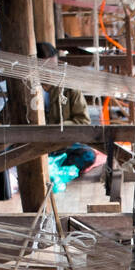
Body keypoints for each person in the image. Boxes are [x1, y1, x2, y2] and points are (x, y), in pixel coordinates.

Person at [36, 41, 101, 175]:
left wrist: (56, 128)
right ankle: (50, 167)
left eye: (53, 67)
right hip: (35, 144)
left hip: (62, 144)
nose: (50, 73)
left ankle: (49, 167)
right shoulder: (28, 88)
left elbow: (83, 121)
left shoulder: (69, 87)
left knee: (88, 155)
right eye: (44, 68)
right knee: (6, 157)